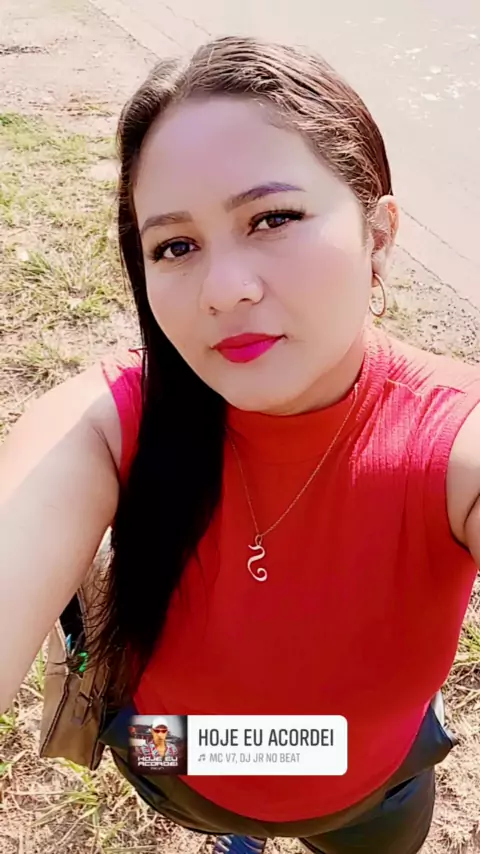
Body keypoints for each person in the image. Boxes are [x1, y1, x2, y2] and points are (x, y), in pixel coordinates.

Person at [1, 34, 479, 854]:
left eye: (273, 218)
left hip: (370, 796)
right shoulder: (109, 422)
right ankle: (238, 832)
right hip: (172, 764)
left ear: (379, 232)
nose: (224, 291)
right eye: (175, 246)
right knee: (222, 811)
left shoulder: (450, 433)